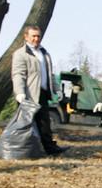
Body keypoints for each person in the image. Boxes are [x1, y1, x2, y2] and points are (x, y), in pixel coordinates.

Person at [11, 25, 70, 156]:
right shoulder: (21, 54)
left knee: (44, 123)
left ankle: (50, 148)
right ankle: (23, 150)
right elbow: (18, 75)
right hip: (28, 95)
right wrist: (19, 92)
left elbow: (50, 74)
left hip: (42, 93)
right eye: (33, 36)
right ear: (26, 37)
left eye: (38, 36)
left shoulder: (44, 53)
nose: (36, 39)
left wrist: (57, 90)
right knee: (25, 124)